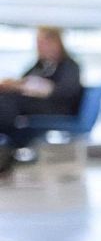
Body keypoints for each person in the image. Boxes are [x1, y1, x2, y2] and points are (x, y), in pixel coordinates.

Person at [0, 26, 84, 175]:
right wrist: (15, 85)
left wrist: (39, 88)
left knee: (10, 103)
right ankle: (6, 148)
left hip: (57, 109)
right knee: (7, 100)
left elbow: (65, 92)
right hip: (29, 107)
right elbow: (24, 81)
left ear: (56, 43)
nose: (40, 47)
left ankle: (6, 151)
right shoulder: (40, 65)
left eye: (44, 43)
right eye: (39, 43)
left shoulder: (70, 66)